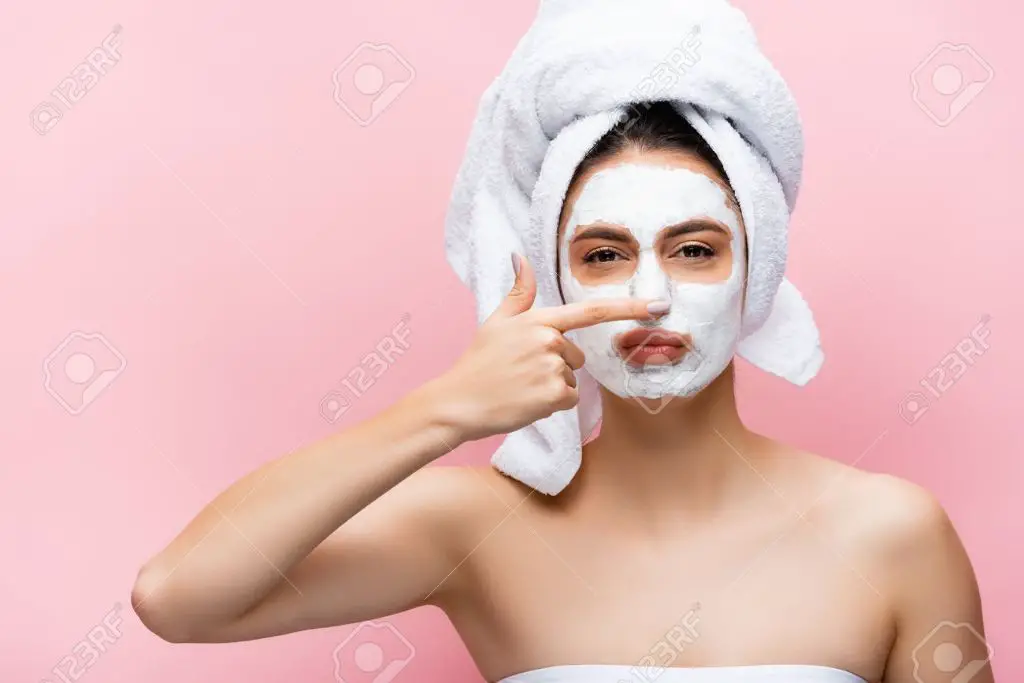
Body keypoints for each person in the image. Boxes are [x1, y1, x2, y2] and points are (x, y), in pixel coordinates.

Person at [131, 103, 991, 683]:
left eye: (695, 249)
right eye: (604, 254)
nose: (649, 294)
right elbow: (179, 596)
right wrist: (443, 410)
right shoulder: (476, 527)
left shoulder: (891, 531)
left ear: (754, 275)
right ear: (555, 286)